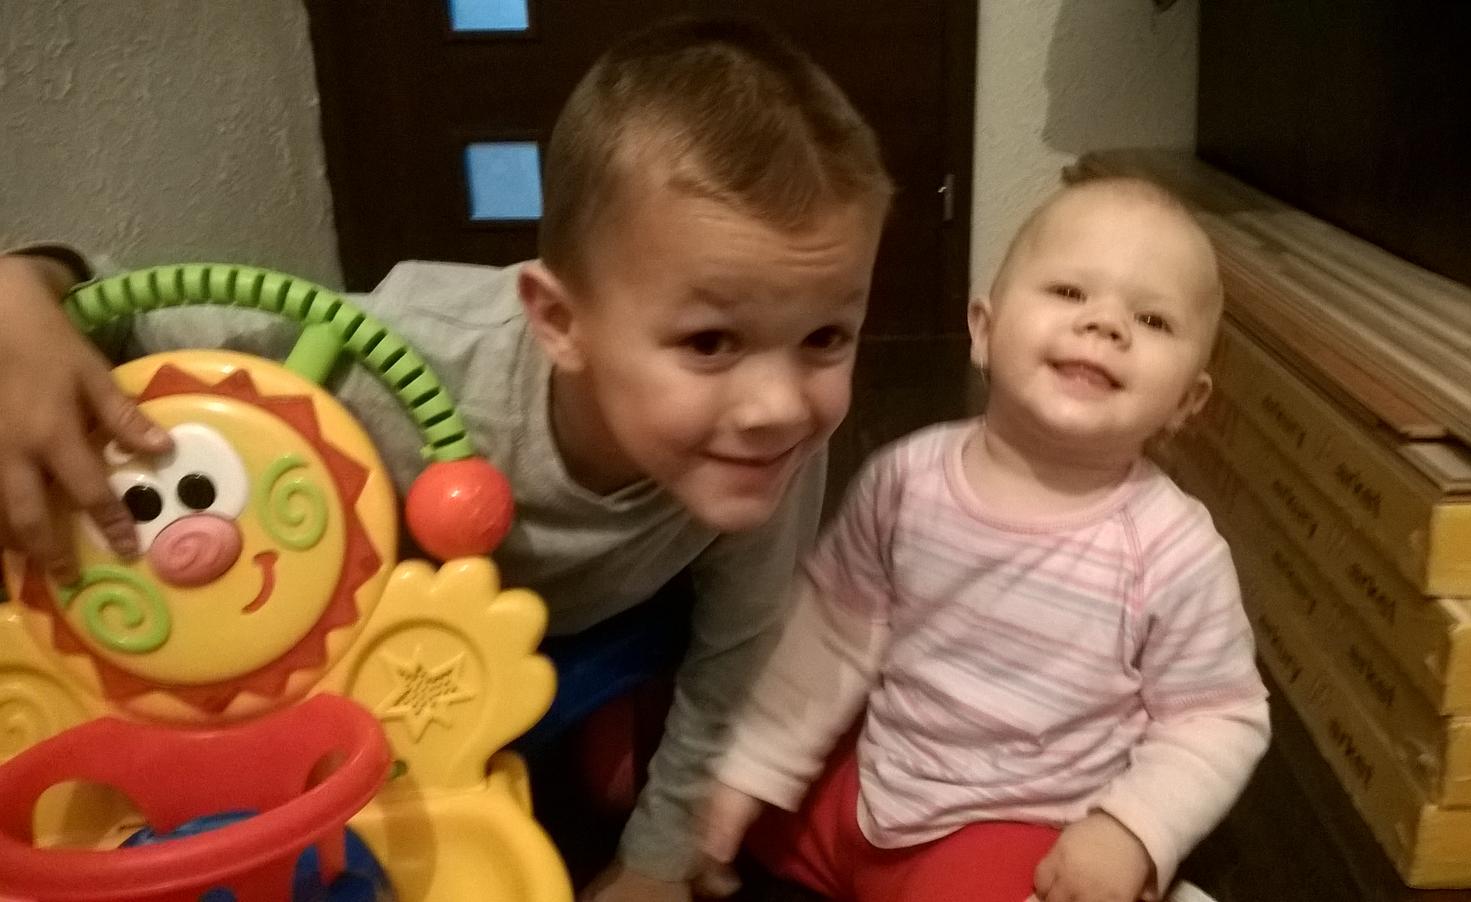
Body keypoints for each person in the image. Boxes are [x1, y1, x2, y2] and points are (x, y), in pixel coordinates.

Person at [0, 17, 891, 902]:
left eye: (826, 336)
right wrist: (27, 283)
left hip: (587, 634)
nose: (781, 406)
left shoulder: (762, 444)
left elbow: (737, 645)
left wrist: (656, 861)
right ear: (559, 322)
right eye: (709, 342)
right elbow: (122, 318)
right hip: (380, 651)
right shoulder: (403, 359)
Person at [700, 178, 1271, 902]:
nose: (1105, 325)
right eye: (1069, 292)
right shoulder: (905, 479)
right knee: (667, 763)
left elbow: (1217, 716)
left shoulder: (1171, 551)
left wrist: (1132, 830)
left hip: (1008, 826)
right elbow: (830, 636)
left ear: (1187, 400)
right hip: (872, 785)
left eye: (1152, 319)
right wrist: (746, 774)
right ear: (983, 329)